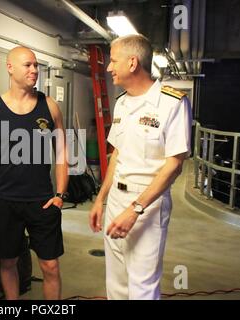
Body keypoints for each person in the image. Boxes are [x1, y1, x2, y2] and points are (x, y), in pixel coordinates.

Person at [89, 34, 192, 300]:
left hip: (147, 205)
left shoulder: (173, 103)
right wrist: (101, 199)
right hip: (115, 201)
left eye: (113, 61)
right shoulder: (122, 102)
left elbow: (174, 165)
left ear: (132, 63)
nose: (109, 67)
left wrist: (135, 209)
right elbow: (118, 154)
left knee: (142, 288)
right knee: (116, 283)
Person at [0, 46, 68, 300]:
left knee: (50, 266)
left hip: (43, 201)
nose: (34, 70)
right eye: (28, 65)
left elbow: (62, 154)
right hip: (6, 202)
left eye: (36, 65)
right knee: (8, 263)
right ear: (10, 68)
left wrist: (60, 194)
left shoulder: (49, 106)